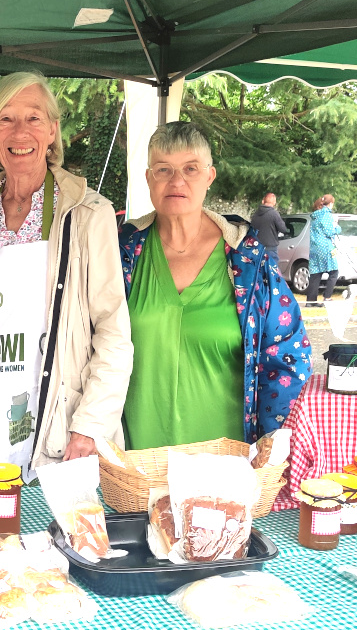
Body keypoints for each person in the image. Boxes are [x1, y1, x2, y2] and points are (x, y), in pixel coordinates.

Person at [0, 72, 132, 492]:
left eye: (34, 118)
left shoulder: (87, 215)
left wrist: (90, 426)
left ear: (53, 130)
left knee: (61, 546)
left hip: (63, 425)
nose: (20, 133)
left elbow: (113, 332)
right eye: (5, 119)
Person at [119, 122, 311, 450]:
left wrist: (269, 446)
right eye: (163, 169)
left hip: (224, 472)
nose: (176, 180)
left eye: (191, 168)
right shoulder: (122, 253)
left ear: (210, 176)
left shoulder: (248, 261)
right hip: (132, 468)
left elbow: (286, 357)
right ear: (149, 178)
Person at [306, 194, 342, 307]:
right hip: (325, 248)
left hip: (314, 248)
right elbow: (330, 232)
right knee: (334, 272)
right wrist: (337, 226)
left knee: (315, 274)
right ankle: (327, 297)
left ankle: (311, 301)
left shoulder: (315, 216)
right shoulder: (326, 215)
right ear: (330, 203)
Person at [249, 193, 288, 261]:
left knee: (259, 270)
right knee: (272, 270)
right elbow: (283, 229)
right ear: (274, 203)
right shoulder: (274, 214)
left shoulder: (255, 214)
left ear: (263, 201)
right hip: (270, 249)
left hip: (257, 248)